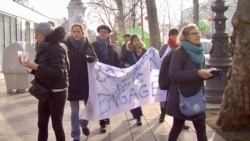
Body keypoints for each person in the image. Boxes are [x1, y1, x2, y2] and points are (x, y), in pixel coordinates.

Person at [21, 22, 69, 141]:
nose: (35, 37)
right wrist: (27, 65)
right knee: (41, 124)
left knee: (56, 125)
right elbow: (38, 69)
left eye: (38, 34)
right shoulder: (43, 47)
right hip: (45, 90)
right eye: (35, 34)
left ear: (46, 35)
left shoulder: (57, 48)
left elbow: (58, 73)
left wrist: (36, 67)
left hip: (57, 91)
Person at [167, 23, 212, 141]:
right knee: (177, 127)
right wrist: (197, 73)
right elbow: (174, 75)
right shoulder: (178, 53)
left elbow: (202, 72)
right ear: (186, 36)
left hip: (197, 97)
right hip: (182, 97)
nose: (198, 35)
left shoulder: (200, 52)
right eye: (194, 33)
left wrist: (209, 74)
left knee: (201, 128)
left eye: (198, 32)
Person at [65, 23, 97, 141]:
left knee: (90, 107)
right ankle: (76, 135)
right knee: (74, 112)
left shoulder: (88, 45)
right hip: (72, 83)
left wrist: (93, 59)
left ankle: (83, 123)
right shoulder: (66, 45)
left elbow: (96, 59)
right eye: (74, 31)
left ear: (83, 32)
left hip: (87, 82)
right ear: (71, 32)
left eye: (79, 31)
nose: (76, 33)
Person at [92, 25, 121, 133]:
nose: (102, 33)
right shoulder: (93, 45)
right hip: (98, 77)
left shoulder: (111, 47)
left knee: (108, 98)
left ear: (108, 34)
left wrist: (121, 72)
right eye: (100, 32)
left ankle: (107, 116)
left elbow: (116, 60)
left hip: (109, 77)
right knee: (100, 99)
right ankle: (102, 123)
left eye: (104, 32)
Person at [158, 29, 189, 129]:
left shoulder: (182, 47)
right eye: (172, 34)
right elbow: (159, 59)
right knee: (164, 98)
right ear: (169, 36)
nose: (174, 36)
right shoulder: (165, 47)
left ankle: (180, 120)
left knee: (179, 99)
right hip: (166, 76)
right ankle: (162, 113)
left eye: (176, 34)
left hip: (177, 77)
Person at [120, 34, 146, 126]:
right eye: (134, 41)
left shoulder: (144, 51)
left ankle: (134, 111)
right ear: (131, 42)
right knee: (134, 96)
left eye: (138, 40)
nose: (136, 42)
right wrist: (124, 64)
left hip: (142, 78)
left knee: (138, 96)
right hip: (131, 78)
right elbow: (120, 60)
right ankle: (138, 117)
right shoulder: (128, 52)